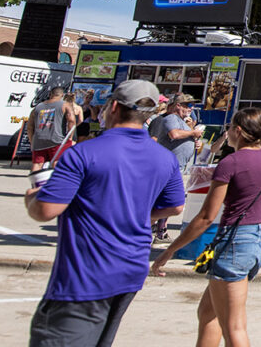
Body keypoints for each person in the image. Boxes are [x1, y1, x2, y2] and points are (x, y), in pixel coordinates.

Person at [24, 80, 186, 347]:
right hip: (132, 269)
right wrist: (138, 215)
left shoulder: (83, 153)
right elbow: (175, 206)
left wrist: (32, 197)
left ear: (112, 107)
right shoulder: (163, 158)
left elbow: (45, 210)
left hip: (86, 272)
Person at [152, 107, 261, 347]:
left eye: (230, 128)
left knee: (233, 328)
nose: (228, 133)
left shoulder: (230, 162)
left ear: (239, 131)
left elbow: (205, 217)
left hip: (235, 242)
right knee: (208, 313)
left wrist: (169, 251)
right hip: (259, 241)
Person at [151, 93, 204, 241]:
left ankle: (161, 231)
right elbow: (174, 134)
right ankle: (151, 228)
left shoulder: (181, 121)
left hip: (175, 167)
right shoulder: (170, 118)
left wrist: (194, 142)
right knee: (168, 200)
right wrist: (192, 132)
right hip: (166, 166)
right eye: (187, 105)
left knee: (167, 200)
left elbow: (181, 136)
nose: (190, 108)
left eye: (192, 106)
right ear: (178, 105)